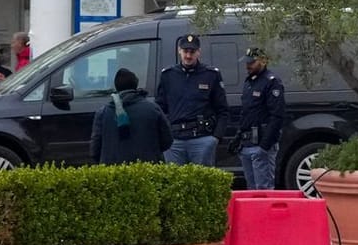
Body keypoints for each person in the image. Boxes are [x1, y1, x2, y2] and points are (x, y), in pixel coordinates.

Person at [157, 33, 228, 165]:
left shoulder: (211, 75)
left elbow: (223, 110)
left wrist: (216, 137)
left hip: (202, 139)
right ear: (179, 50)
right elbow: (160, 108)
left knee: (202, 183)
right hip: (175, 140)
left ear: (199, 52)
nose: (188, 55)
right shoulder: (168, 75)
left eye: (192, 51)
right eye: (185, 51)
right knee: (175, 183)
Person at [89, 68, 173, 165]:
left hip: (113, 172)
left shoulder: (103, 113)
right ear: (135, 85)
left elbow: (95, 149)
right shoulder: (153, 109)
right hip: (148, 170)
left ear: (116, 87)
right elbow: (167, 140)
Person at [238, 47, 287, 190]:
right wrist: (238, 139)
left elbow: (277, 116)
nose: (248, 66)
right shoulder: (249, 82)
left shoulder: (271, 82)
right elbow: (246, 113)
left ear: (263, 61)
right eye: (247, 62)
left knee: (263, 190)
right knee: (251, 190)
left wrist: (264, 146)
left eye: (252, 62)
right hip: (247, 144)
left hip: (261, 143)